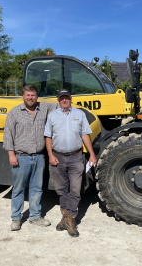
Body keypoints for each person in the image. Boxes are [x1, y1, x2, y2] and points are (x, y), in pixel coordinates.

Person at [3, 84, 58, 231]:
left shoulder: (44, 108)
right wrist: (11, 154)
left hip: (39, 157)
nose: (30, 98)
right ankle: (16, 218)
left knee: (37, 188)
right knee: (19, 189)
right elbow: (8, 134)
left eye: (33, 95)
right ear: (23, 96)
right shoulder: (14, 112)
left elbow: (61, 104)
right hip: (21, 158)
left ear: (37, 96)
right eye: (28, 95)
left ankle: (35, 216)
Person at [44, 89, 97, 237]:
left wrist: (92, 154)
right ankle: (65, 218)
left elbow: (85, 135)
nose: (64, 100)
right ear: (58, 100)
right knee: (61, 189)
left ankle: (70, 218)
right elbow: (48, 136)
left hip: (76, 157)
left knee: (75, 189)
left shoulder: (79, 114)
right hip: (57, 157)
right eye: (62, 98)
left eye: (66, 97)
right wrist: (50, 155)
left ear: (71, 99)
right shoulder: (52, 116)